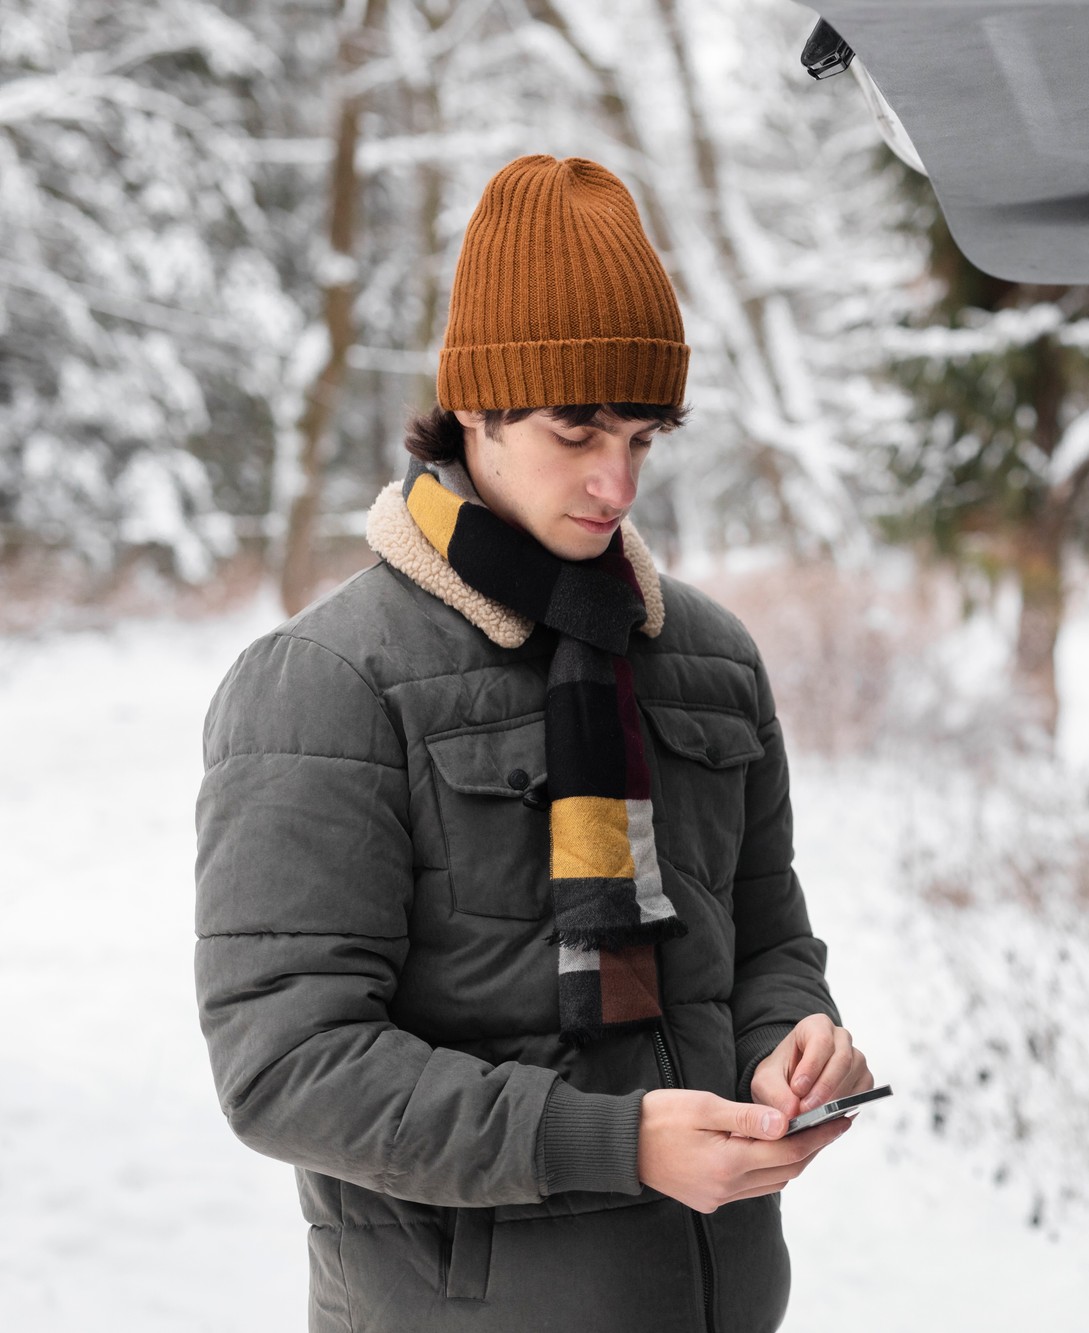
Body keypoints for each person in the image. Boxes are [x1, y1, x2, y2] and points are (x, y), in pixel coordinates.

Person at [193, 154, 869, 1332]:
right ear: (475, 407)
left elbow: (765, 936)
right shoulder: (326, 682)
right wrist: (609, 1142)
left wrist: (790, 1042)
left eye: (646, 437)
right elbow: (286, 1065)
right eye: (578, 431)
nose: (616, 481)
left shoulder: (706, 655)